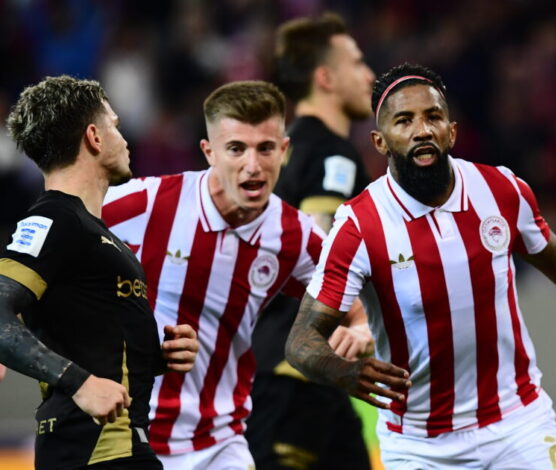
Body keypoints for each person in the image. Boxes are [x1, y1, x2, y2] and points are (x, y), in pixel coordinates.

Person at [284, 63, 556, 470]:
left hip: (517, 424)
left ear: (451, 131)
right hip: (420, 444)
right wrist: (347, 373)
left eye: (433, 116)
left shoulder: (501, 190)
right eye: (404, 121)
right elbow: (302, 340)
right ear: (380, 142)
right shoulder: (359, 225)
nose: (422, 130)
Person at [101, 80, 372, 470]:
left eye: (265, 148)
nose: (253, 165)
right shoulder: (148, 202)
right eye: (236, 149)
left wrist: (361, 329)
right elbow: (52, 230)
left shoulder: (295, 235)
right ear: (209, 152)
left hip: (220, 443)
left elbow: (351, 302)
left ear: (284, 150)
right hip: (129, 437)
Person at [0, 75, 198, 470]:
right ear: (94, 136)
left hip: (118, 446)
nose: (125, 140)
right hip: (92, 448)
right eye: (115, 126)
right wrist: (80, 382)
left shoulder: (95, 234)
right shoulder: (54, 218)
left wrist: (157, 357)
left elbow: (86, 337)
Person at [245, 13, 375, 470]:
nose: (369, 75)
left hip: (302, 367)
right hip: (295, 370)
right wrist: (360, 319)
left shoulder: (286, 151)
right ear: (325, 78)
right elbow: (321, 243)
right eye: (356, 63)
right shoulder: (332, 154)